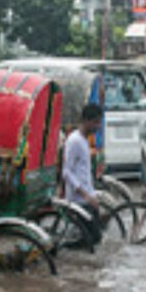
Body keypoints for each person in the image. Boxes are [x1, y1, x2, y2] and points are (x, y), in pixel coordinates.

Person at [62, 104, 104, 246]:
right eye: (96, 122)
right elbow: (66, 172)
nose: (98, 127)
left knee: (96, 238)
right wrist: (85, 195)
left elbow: (84, 172)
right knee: (91, 240)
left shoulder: (84, 140)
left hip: (88, 198)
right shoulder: (74, 141)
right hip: (79, 200)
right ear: (86, 121)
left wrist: (92, 195)